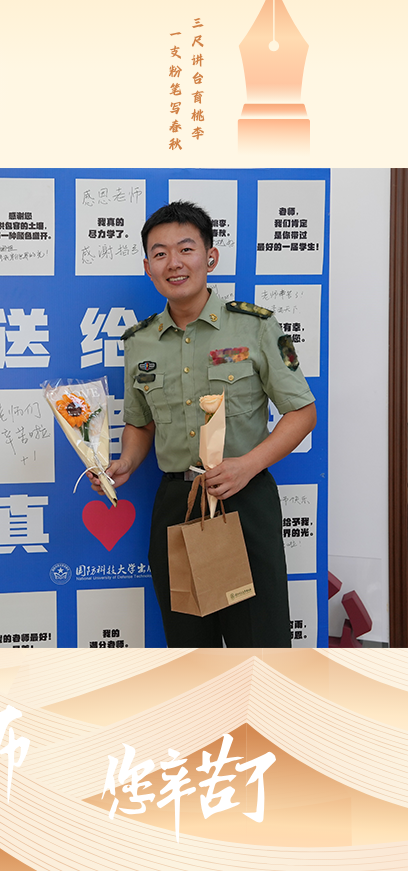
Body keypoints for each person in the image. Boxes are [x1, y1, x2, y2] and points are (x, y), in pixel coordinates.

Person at [88, 200, 316, 647]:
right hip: (178, 504)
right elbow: (140, 423)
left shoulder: (255, 328)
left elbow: (302, 412)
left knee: (261, 644)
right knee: (190, 647)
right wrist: (125, 463)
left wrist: (247, 466)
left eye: (186, 249)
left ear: (210, 257)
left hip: (243, 498)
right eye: (160, 253)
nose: (173, 263)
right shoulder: (139, 342)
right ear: (148, 267)